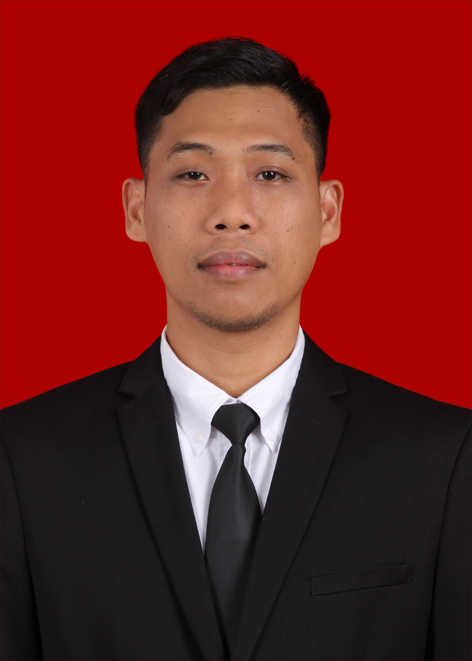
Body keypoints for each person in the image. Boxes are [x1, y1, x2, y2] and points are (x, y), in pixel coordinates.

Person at [1, 37, 470, 661]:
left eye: (269, 174)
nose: (231, 213)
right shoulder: (22, 459)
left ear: (327, 211)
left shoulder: (443, 459)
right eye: (193, 174)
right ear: (136, 209)